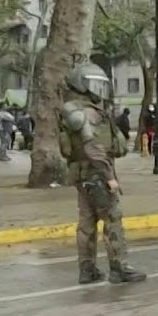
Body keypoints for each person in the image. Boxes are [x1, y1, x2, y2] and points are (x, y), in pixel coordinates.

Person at [59, 63, 146, 285]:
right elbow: (93, 149)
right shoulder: (87, 113)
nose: (98, 90)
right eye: (94, 84)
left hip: (82, 176)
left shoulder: (75, 111)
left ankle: (87, 270)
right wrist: (109, 177)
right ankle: (119, 268)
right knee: (112, 219)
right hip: (97, 176)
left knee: (86, 223)